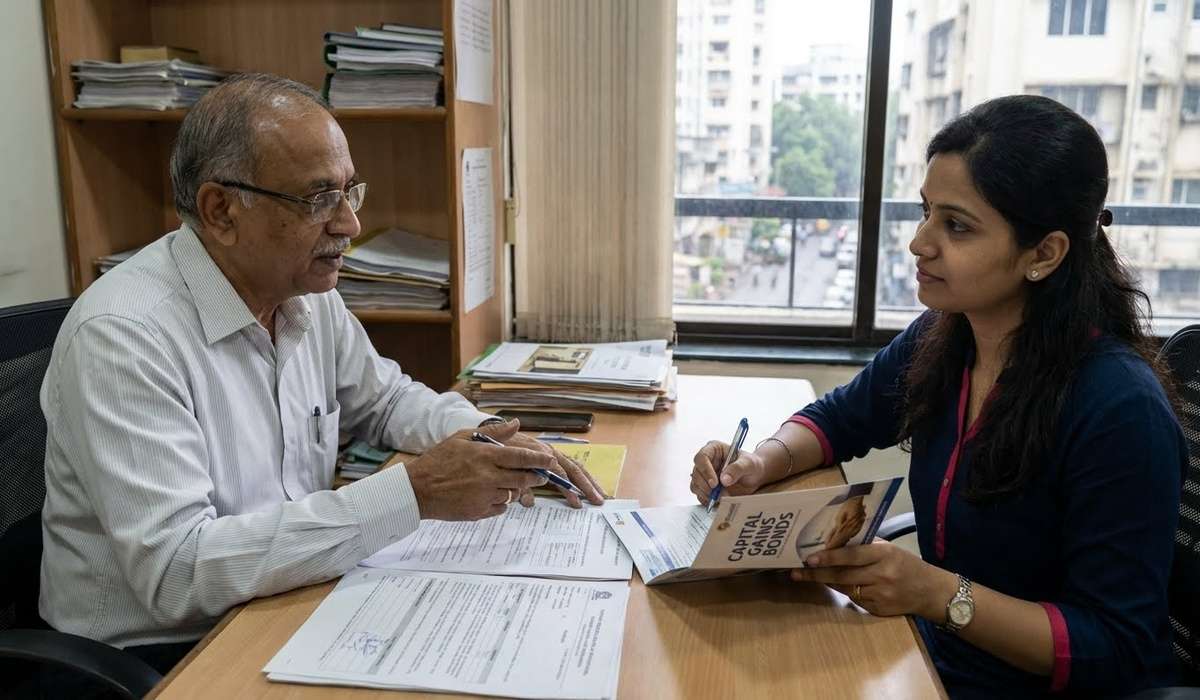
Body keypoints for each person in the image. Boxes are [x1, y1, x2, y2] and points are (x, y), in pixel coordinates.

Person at [38, 73, 604, 673]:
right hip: (157, 653)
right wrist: (415, 491)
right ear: (221, 209)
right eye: (318, 200)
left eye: (348, 192)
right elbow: (179, 573)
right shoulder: (125, 336)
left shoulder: (301, 288)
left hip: (282, 598)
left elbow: (384, 400)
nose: (349, 226)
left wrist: (492, 438)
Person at [689, 95, 1185, 697]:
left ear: (1044, 253)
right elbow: (840, 418)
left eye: (956, 225)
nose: (920, 242)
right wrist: (759, 462)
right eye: (926, 212)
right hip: (943, 657)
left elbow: (1113, 643)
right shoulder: (949, 334)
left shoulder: (1117, 407)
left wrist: (937, 593)